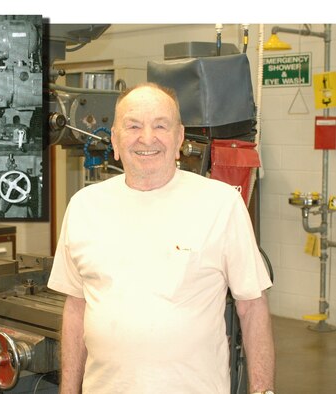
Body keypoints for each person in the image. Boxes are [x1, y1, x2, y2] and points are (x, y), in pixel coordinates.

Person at [47, 83, 275, 393]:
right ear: (114, 139)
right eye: (133, 126)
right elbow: (75, 309)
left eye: (160, 125)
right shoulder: (84, 206)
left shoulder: (220, 204)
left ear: (180, 137)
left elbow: (252, 307)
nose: (147, 138)